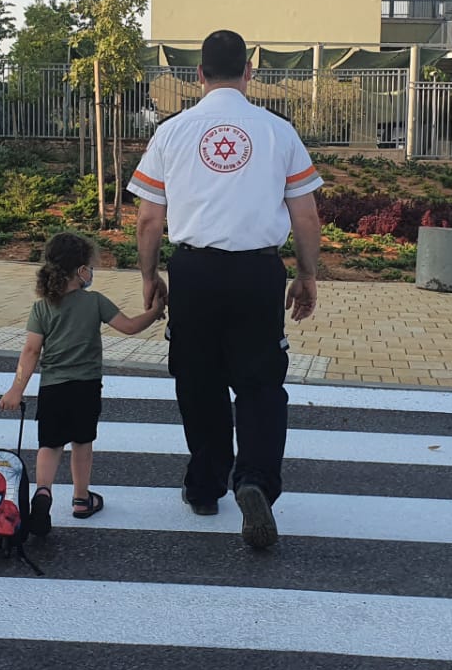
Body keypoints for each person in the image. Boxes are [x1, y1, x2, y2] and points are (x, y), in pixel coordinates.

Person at [127, 29, 323, 550]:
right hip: (258, 274)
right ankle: (255, 480)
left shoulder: (172, 132)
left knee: (199, 381)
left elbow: (148, 219)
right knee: (260, 385)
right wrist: (307, 275)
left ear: (198, 75)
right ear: (249, 73)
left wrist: (149, 276)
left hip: (195, 273)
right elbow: (305, 215)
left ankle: (206, 485)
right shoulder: (278, 131)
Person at [0, 232, 165, 538]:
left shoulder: (42, 307)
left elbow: (31, 351)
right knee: (82, 443)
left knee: (50, 445)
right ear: (80, 271)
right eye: (89, 266)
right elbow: (129, 327)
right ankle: (81, 498)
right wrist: (154, 312)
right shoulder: (95, 301)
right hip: (86, 387)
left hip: (53, 388)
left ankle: (43, 493)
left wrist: (16, 389)